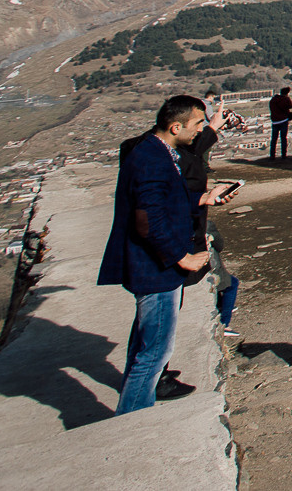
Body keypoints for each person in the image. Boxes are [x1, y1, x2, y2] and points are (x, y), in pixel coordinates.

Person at [98, 95, 217, 414]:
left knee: (144, 345)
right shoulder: (152, 159)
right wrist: (183, 258)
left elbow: (166, 200)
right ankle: (133, 420)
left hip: (153, 267)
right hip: (155, 270)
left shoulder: (156, 151)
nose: (201, 130)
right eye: (198, 124)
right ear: (176, 126)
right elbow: (148, 220)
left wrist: (203, 198)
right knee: (154, 354)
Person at [181, 94, 242, 338]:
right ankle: (223, 324)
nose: (201, 129)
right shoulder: (164, 159)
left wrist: (213, 127)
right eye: (199, 124)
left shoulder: (170, 155)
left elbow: (192, 150)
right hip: (182, 253)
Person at [267, 86, 292, 161]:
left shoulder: (273, 100)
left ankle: (272, 156)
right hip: (283, 120)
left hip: (275, 121)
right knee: (283, 138)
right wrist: (287, 98)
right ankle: (283, 155)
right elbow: (290, 106)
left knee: (274, 139)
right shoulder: (285, 99)